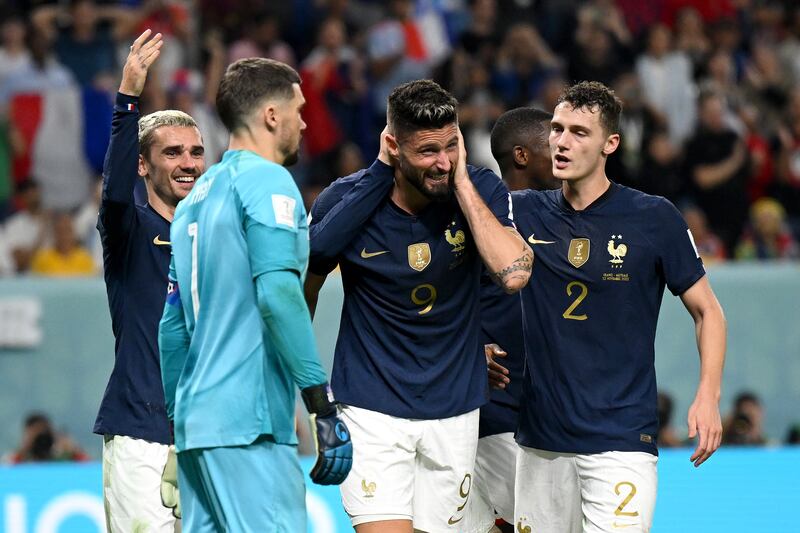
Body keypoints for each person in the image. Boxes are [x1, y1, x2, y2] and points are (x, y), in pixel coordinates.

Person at [305, 79, 533, 533]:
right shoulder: (342, 201)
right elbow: (302, 294)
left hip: (456, 410)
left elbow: (514, 273)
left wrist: (464, 185)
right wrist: (309, 394)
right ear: (392, 145)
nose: (443, 162)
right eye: (428, 151)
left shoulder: (479, 189)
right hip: (371, 410)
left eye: (453, 146)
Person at [510, 81, 726, 533]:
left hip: (620, 444)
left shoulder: (653, 217)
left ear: (611, 144)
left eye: (579, 132)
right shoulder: (521, 212)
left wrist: (708, 396)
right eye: (556, 129)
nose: (562, 142)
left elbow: (708, 311)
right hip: (539, 445)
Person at [158, 57, 352, 532]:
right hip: (250, 424)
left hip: (198, 429)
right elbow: (278, 294)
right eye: (299, 109)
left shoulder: (194, 202)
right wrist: (321, 406)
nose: (305, 122)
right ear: (271, 115)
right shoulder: (267, 182)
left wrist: (177, 426)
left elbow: (172, 332)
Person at [92, 30, 204, 533]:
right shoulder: (130, 230)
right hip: (141, 434)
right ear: (143, 164)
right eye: (173, 153)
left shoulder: (216, 239)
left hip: (209, 436)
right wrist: (128, 100)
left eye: (196, 152)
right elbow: (114, 195)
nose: (188, 163)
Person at [466, 106, 554, 533]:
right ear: (521, 156)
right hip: (496, 412)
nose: (561, 149)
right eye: (550, 142)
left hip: (541, 417)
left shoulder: (560, 218)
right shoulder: (481, 222)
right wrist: (465, 352)